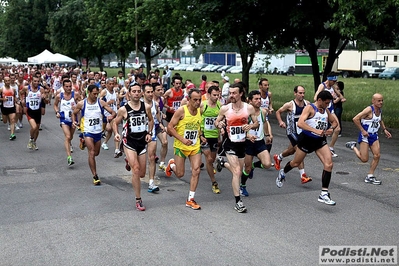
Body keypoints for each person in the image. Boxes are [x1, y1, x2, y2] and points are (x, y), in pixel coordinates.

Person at [276, 90, 338, 206]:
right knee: (295, 163)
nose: (327, 105)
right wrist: (315, 130)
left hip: (320, 141)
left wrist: (331, 129)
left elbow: (334, 122)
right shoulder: (310, 108)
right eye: (326, 103)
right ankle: (283, 172)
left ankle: (324, 193)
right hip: (306, 140)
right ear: (319, 100)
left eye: (329, 103)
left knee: (329, 164)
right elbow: (300, 123)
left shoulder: (326, 110)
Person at [214, 83, 259, 213]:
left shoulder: (249, 108)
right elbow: (217, 122)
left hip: (242, 144)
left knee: (238, 171)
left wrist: (250, 127)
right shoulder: (225, 109)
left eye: (234, 93)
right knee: (237, 172)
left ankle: (222, 163)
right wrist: (220, 124)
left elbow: (256, 123)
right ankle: (238, 202)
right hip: (229, 143)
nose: (231, 95)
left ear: (241, 94)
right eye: (230, 93)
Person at [113, 83, 154, 211]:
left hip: (142, 142)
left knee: (142, 174)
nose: (136, 93)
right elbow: (115, 122)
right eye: (134, 91)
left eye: (138, 91)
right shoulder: (123, 109)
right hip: (129, 142)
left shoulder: (146, 107)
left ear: (141, 93)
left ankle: (129, 160)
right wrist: (116, 134)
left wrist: (149, 132)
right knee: (135, 169)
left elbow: (151, 120)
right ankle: (138, 199)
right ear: (129, 94)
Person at [165, 88, 203, 210]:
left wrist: (201, 136)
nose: (197, 102)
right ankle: (172, 165)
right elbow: (170, 127)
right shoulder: (181, 111)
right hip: (181, 146)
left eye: (199, 99)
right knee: (180, 174)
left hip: (194, 146)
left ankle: (190, 199)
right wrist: (182, 139)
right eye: (195, 100)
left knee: (196, 170)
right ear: (189, 99)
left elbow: (197, 126)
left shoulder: (200, 110)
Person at [72, 85, 116, 185]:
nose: (96, 95)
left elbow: (113, 112)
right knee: (91, 153)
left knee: (96, 153)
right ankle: (95, 175)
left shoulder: (100, 102)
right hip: (87, 131)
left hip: (98, 132)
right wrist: (74, 121)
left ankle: (83, 142)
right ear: (89, 92)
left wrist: (111, 116)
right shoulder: (82, 103)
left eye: (97, 93)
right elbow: (74, 113)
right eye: (94, 94)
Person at [345, 93, 392, 185]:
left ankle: (370, 175)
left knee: (377, 155)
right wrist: (362, 130)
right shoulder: (369, 110)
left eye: (382, 100)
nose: (381, 102)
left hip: (374, 135)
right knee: (364, 159)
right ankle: (353, 147)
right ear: (373, 101)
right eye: (379, 101)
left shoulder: (379, 110)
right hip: (365, 136)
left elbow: (380, 119)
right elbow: (355, 119)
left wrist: (384, 129)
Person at [274, 85, 312, 184]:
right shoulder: (290, 104)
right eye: (300, 93)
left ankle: (278, 157)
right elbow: (278, 112)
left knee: (291, 151)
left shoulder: (307, 103)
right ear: (295, 93)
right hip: (292, 131)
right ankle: (303, 175)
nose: (302, 95)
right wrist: (280, 121)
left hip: (302, 131)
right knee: (300, 149)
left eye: (303, 93)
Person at [240, 90, 272, 197]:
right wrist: (248, 135)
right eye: (256, 99)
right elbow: (241, 127)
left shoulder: (263, 111)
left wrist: (267, 135)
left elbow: (265, 122)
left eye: (260, 99)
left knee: (267, 164)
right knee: (247, 168)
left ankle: (254, 166)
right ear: (250, 101)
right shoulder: (245, 113)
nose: (259, 101)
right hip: (248, 143)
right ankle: (243, 185)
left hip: (259, 142)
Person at [314, 73, 345, 157]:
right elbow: (315, 97)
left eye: (336, 81)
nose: (335, 83)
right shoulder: (322, 86)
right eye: (334, 81)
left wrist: (337, 97)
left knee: (337, 128)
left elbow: (341, 96)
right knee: (319, 128)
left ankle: (331, 148)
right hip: (323, 110)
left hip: (330, 110)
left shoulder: (333, 87)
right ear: (329, 80)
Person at [142, 83, 164, 193]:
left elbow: (157, 116)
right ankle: (130, 160)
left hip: (151, 133)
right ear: (143, 93)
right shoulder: (138, 104)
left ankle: (151, 182)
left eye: (151, 92)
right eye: (148, 92)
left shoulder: (155, 104)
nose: (150, 94)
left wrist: (160, 123)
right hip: (138, 135)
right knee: (140, 170)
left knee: (151, 157)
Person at [200, 85, 222, 194]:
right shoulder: (203, 105)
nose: (216, 97)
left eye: (218, 95)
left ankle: (213, 166)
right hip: (204, 135)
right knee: (208, 159)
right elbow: (197, 119)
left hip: (214, 136)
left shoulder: (220, 105)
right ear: (208, 95)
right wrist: (200, 133)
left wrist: (221, 128)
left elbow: (223, 120)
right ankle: (214, 182)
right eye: (214, 95)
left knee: (211, 160)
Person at [53, 79, 81, 166]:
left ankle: (69, 144)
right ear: (63, 87)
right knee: (68, 136)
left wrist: (76, 108)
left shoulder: (75, 95)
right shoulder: (59, 96)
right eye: (67, 86)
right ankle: (69, 157)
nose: (69, 88)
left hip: (73, 119)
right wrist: (57, 112)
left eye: (70, 86)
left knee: (70, 137)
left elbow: (81, 104)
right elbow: (55, 105)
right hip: (64, 119)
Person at [24, 76, 48, 150]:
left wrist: (44, 98)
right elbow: (21, 92)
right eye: (35, 81)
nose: (36, 83)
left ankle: (34, 142)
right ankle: (31, 139)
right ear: (32, 81)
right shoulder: (26, 88)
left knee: (37, 129)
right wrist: (22, 100)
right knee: (34, 127)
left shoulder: (41, 89)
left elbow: (46, 101)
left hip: (37, 111)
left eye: (38, 81)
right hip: (30, 111)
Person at [100, 78, 121, 157]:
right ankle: (113, 147)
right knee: (112, 131)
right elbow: (99, 102)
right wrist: (108, 103)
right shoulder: (104, 92)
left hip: (114, 114)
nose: (112, 85)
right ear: (106, 84)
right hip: (106, 115)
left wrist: (118, 105)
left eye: (113, 84)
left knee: (113, 130)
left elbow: (117, 101)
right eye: (110, 84)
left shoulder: (115, 91)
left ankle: (114, 148)